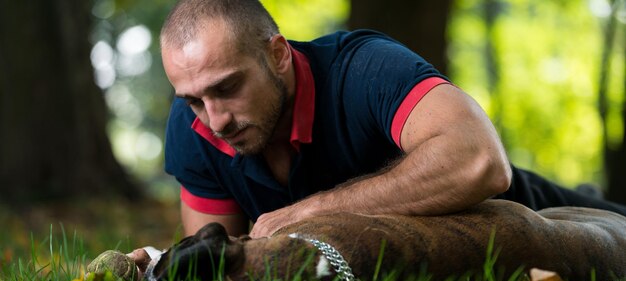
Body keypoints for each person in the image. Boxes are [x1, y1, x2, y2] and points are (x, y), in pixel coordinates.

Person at [159, 0, 626, 239]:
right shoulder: (192, 126)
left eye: (227, 87)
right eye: (194, 100)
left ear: (278, 54)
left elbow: (480, 161)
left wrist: (309, 212)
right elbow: (220, 261)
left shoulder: (365, 67)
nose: (214, 120)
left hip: (538, 215)